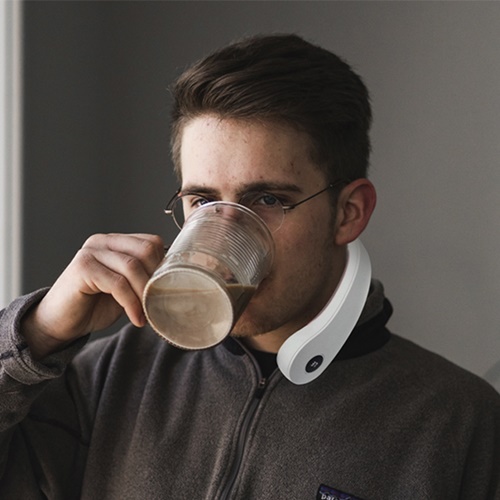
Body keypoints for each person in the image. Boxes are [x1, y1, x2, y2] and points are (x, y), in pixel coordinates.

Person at [1, 33, 499, 500]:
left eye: (267, 199)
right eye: (202, 201)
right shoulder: (111, 376)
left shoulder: (457, 422)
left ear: (349, 212)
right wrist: (37, 335)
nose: (225, 232)